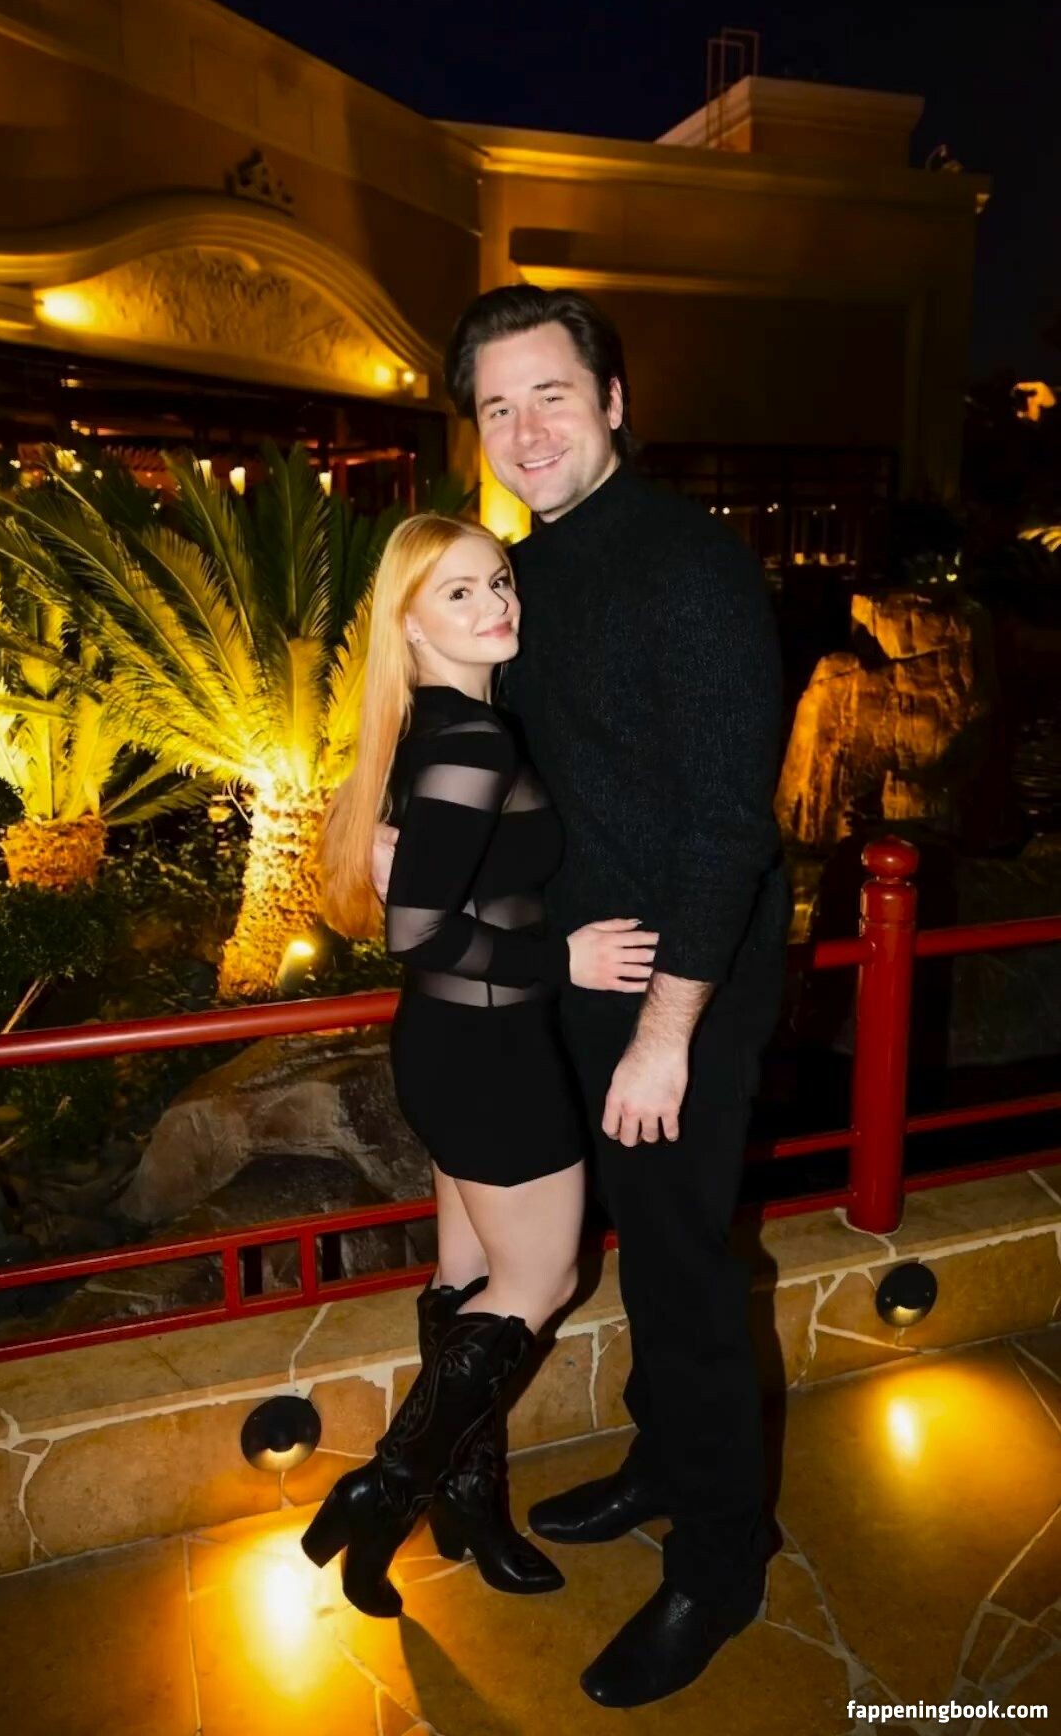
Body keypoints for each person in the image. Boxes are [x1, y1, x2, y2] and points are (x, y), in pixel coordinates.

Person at [372, 286, 792, 1709]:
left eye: (552, 394)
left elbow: (729, 828)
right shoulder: (521, 574)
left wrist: (669, 1032)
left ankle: (721, 1566)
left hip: (680, 994)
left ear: (613, 403)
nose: (526, 427)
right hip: (568, 978)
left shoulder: (689, 564)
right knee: (643, 1257)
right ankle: (662, 1465)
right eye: (498, 406)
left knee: (683, 1272)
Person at [303, 511, 657, 1620]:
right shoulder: (471, 742)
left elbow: (422, 883)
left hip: (448, 1045)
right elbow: (417, 929)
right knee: (541, 1282)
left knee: (465, 1283)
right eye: (458, 592)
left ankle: (467, 1506)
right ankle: (385, 1486)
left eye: (497, 580)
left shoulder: (427, 730)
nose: (496, 602)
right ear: (409, 623)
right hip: (492, 1049)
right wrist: (566, 957)